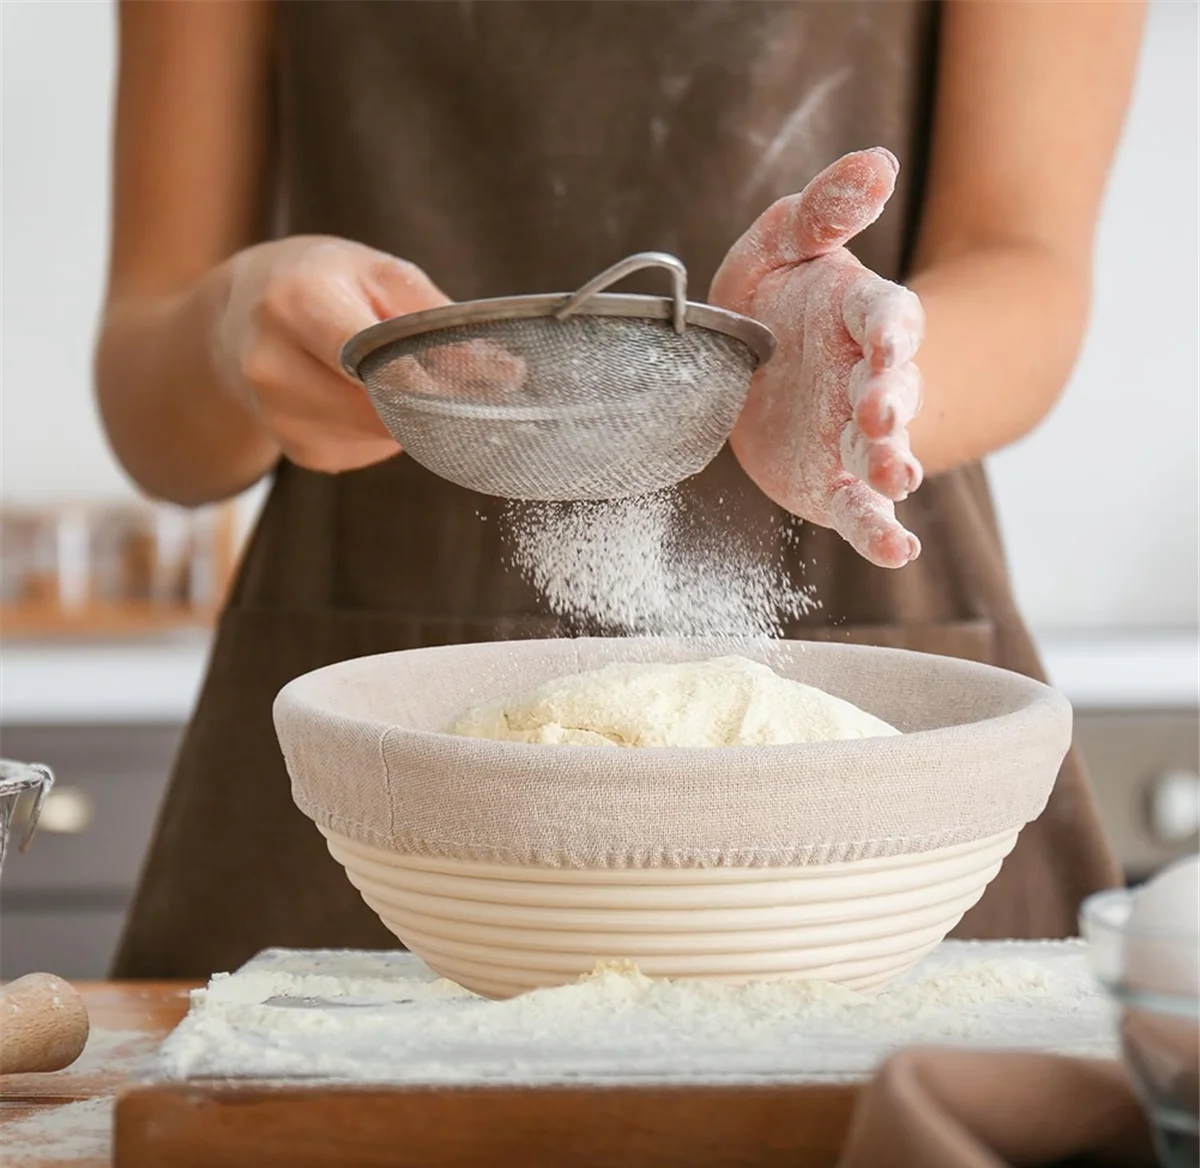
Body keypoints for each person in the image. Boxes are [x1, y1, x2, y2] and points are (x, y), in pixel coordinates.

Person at [98, 0, 1146, 979]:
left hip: (849, 640)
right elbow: (151, 406)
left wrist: (868, 375)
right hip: (365, 691)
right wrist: (235, 325)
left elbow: (1025, 261)